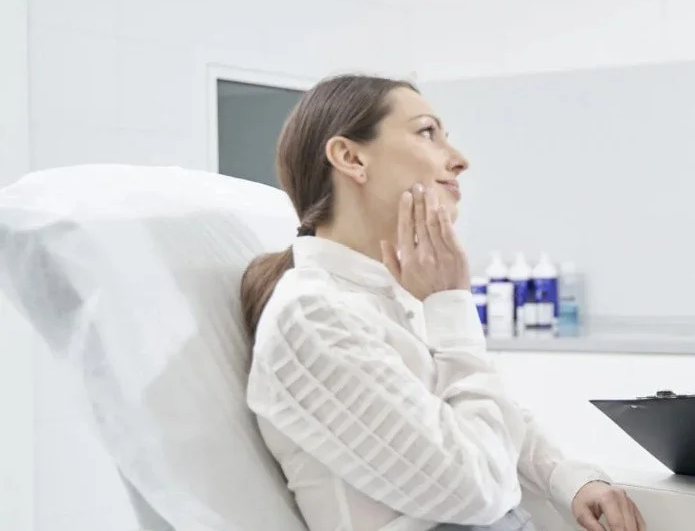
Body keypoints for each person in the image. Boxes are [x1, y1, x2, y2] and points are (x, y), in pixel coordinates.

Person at [240, 74, 645, 531]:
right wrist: (451, 303)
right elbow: (480, 489)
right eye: (427, 132)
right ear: (351, 157)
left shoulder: (391, 297)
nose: (459, 160)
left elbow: (475, 415)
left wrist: (568, 479)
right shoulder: (311, 317)